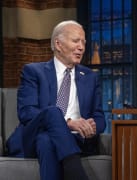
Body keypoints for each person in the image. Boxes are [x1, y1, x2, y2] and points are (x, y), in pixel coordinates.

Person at [6, 20, 106, 180]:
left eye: (83, 42)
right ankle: (75, 169)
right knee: (53, 113)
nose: (81, 47)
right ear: (58, 44)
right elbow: (26, 113)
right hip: (31, 137)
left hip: (74, 139)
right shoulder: (33, 72)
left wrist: (92, 125)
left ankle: (72, 165)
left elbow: (100, 118)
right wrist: (67, 123)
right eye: (75, 41)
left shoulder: (90, 77)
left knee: (46, 142)